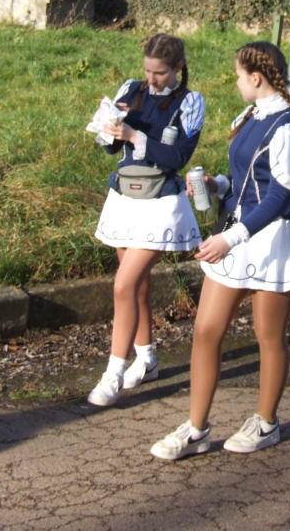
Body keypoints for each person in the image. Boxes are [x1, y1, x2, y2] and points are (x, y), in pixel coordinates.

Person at [150, 41, 290, 460]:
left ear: (256, 77)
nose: (234, 81)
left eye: (237, 75)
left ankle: (266, 422)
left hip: (275, 237)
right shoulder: (251, 115)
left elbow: (281, 197)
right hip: (240, 230)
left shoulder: (289, 127)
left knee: (268, 335)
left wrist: (230, 238)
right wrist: (220, 186)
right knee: (206, 330)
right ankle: (197, 429)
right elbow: (252, 182)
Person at [88, 34, 205, 407]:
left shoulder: (191, 102)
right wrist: (108, 131)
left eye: (160, 73)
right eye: (148, 71)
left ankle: (113, 374)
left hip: (161, 203)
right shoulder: (131, 89)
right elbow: (109, 148)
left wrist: (135, 135)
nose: (151, 79)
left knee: (123, 284)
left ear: (178, 69)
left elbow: (177, 158)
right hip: (125, 196)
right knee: (136, 287)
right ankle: (147, 358)